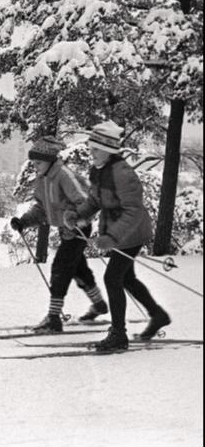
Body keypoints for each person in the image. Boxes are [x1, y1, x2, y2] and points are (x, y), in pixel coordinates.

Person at [64, 120, 171, 352]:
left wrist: (111, 237)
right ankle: (158, 315)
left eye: (95, 149)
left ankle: (118, 335)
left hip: (132, 232)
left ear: (109, 150)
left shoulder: (123, 174)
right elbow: (94, 201)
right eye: (91, 148)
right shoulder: (100, 170)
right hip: (118, 231)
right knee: (126, 278)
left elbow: (133, 211)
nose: (91, 153)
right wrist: (76, 215)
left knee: (113, 278)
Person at [10, 136, 108, 333]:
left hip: (78, 229)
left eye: (38, 162)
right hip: (65, 231)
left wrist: (76, 219)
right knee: (79, 270)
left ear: (50, 160)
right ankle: (98, 305)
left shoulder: (64, 175)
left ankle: (53, 318)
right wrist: (24, 221)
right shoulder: (42, 180)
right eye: (33, 163)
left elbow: (85, 201)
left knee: (60, 269)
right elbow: (41, 209)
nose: (35, 166)